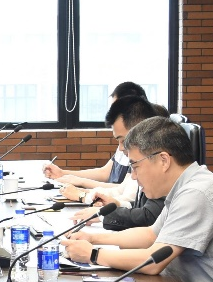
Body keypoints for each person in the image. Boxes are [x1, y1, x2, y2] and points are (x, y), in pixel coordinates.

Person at [60, 116, 213, 282]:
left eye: (135, 166)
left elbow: (152, 263)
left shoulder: (197, 192)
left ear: (164, 160)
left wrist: (93, 254)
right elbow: (151, 235)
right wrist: (93, 238)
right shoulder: (186, 184)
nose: (133, 176)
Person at [66, 96, 170, 232]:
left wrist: (90, 204)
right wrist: (114, 204)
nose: (121, 148)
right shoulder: (145, 160)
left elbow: (149, 216)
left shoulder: (158, 167)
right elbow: (141, 207)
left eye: (123, 140)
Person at [44, 81, 148, 186]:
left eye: (116, 108)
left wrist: (81, 186)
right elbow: (105, 172)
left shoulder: (140, 150)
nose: (112, 113)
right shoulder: (123, 144)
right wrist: (62, 173)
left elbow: (124, 190)